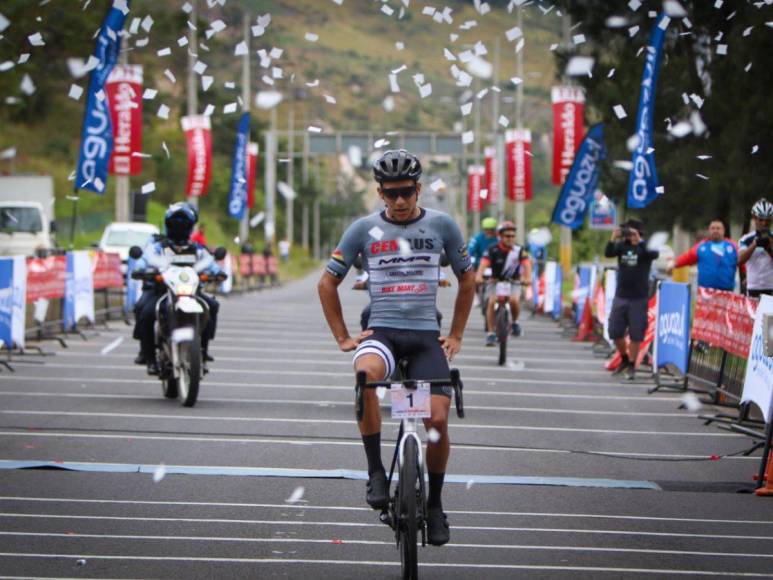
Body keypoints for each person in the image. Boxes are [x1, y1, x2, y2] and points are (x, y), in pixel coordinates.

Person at [318, 149, 475, 547]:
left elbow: (467, 279)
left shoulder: (443, 225)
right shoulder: (362, 230)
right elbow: (326, 283)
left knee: (436, 422)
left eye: (406, 192)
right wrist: (342, 337)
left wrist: (455, 335)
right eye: (391, 194)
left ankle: (436, 506)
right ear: (380, 193)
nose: (400, 201)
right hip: (382, 333)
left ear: (419, 188)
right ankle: (375, 472)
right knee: (364, 375)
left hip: (424, 336)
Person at [133, 203, 221, 375]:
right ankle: (148, 356)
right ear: (168, 224)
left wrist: (217, 273)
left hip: (190, 291)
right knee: (144, 311)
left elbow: (209, 263)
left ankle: (202, 350)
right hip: (160, 290)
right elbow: (143, 260)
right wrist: (143, 271)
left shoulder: (195, 247)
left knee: (212, 306)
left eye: (183, 224)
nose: (179, 228)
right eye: (176, 224)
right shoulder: (157, 245)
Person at [604, 218, 659, 380]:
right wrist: (613, 237)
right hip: (621, 295)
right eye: (626, 231)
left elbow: (654, 254)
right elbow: (608, 253)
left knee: (636, 333)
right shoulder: (622, 246)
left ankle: (632, 365)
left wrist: (639, 241)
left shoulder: (645, 247)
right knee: (614, 330)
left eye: (631, 231)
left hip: (639, 297)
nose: (628, 234)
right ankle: (624, 359)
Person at [475, 220, 531, 346]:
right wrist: (478, 276)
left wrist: (527, 278)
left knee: (514, 300)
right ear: (500, 236)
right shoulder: (492, 249)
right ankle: (490, 334)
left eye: (512, 236)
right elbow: (483, 264)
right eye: (507, 236)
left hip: (513, 281)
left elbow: (527, 265)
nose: (510, 238)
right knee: (491, 302)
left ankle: (515, 322)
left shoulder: (520, 250)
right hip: (495, 281)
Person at [667, 219, 738, 291]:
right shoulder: (701, 246)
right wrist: (673, 263)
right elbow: (687, 257)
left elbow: (742, 263)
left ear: (723, 230)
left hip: (726, 290)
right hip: (705, 291)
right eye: (713, 228)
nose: (715, 231)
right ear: (709, 230)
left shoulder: (733, 246)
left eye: (718, 228)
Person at [738, 199, 773, 297]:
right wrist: (754, 244)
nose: (764, 223)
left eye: (767, 220)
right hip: (753, 288)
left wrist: (769, 249)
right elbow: (739, 260)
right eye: (760, 219)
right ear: (754, 218)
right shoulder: (746, 239)